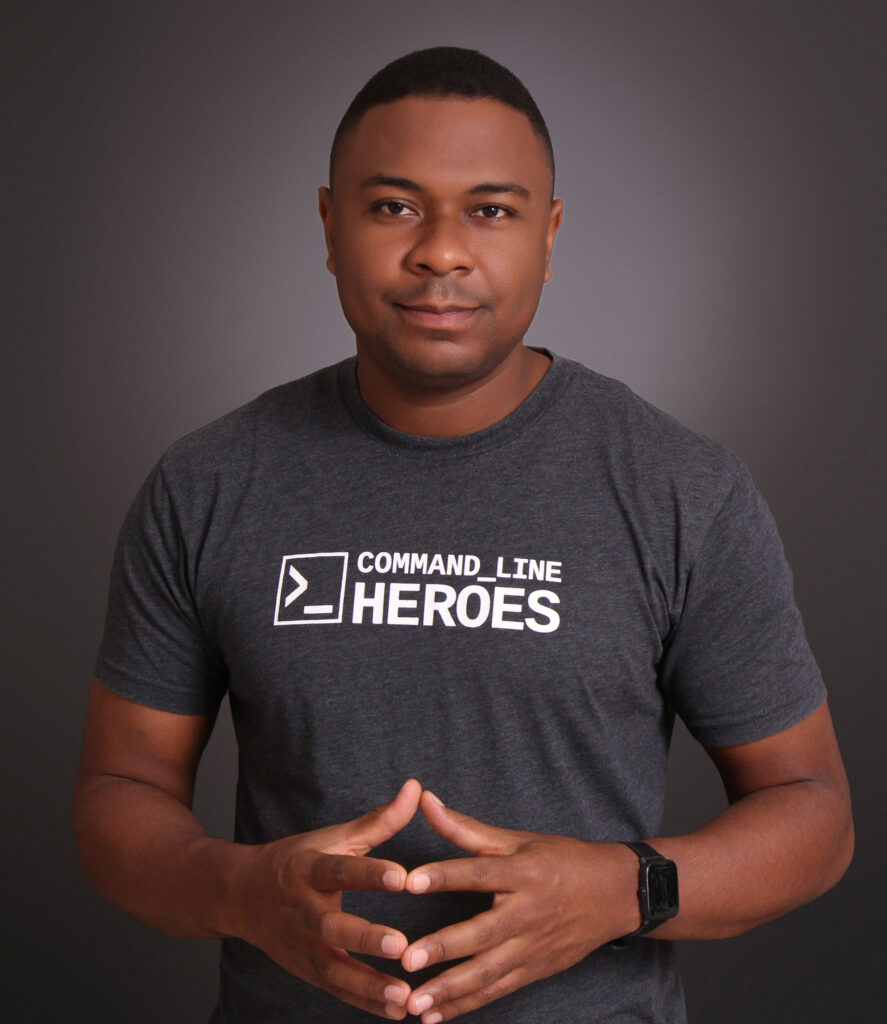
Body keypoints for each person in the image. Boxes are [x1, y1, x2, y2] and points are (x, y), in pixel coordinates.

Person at [74, 47, 853, 1024]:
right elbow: (120, 787)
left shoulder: (677, 487)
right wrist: (238, 892)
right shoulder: (211, 481)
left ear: (548, 233)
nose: (440, 250)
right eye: (393, 205)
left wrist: (621, 890)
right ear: (327, 224)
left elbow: (811, 811)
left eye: (489, 209)